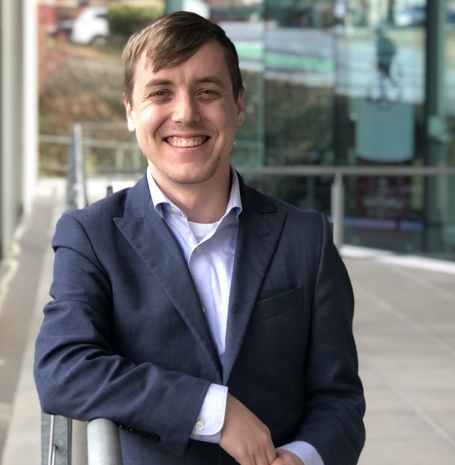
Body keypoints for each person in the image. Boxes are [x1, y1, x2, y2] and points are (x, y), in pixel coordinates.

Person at [34, 11, 365, 465]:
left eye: (207, 92)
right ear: (131, 111)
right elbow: (62, 370)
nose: (186, 113)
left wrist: (305, 457)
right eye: (160, 93)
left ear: (239, 107)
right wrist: (213, 411)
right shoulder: (91, 236)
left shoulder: (307, 239)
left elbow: (340, 401)